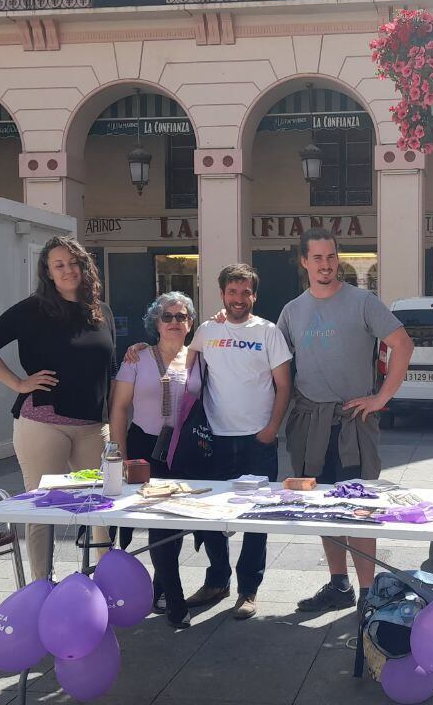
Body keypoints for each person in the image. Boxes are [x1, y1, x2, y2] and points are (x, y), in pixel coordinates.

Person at [277, 228, 414, 613]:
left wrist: (382, 397)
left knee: (360, 508)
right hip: (310, 422)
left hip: (354, 421)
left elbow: (402, 344)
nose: (325, 264)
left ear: (338, 259)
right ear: (304, 262)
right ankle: (339, 585)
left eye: (331, 257)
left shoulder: (362, 301)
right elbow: (274, 363)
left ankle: (368, 592)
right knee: (322, 506)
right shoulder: (292, 311)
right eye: (317, 257)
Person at [0, 235, 115, 582]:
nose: (67, 270)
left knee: (102, 505)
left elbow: (106, 366)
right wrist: (18, 383)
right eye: (58, 265)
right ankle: (40, 585)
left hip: (94, 424)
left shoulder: (101, 311)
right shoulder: (32, 309)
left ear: (84, 266)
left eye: (73, 263)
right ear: (48, 272)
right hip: (44, 422)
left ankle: (104, 580)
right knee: (42, 507)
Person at [171, 263, 291, 622]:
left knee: (256, 518)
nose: (239, 299)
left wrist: (272, 428)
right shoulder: (208, 329)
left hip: (258, 440)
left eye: (246, 292)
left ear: (254, 295)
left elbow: (284, 385)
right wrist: (138, 353)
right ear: (222, 293)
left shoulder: (268, 332)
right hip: (215, 439)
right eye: (232, 292)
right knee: (211, 517)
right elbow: (184, 364)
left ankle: (248, 590)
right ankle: (217, 580)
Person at [108, 292, 197, 614]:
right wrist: (118, 455)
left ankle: (160, 587)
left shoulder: (198, 358)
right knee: (159, 520)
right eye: (167, 316)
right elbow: (118, 409)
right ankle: (174, 599)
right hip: (145, 447)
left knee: (175, 522)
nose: (175, 322)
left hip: (183, 450)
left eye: (181, 316)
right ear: (155, 323)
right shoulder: (137, 358)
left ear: (190, 322)